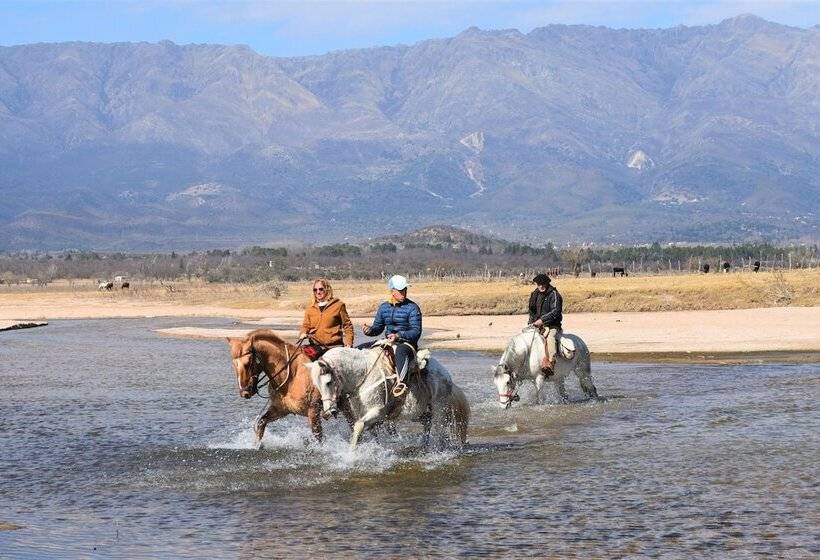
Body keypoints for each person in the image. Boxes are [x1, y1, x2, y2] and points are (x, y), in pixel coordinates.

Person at [360, 274, 422, 383]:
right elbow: (377, 328)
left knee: (400, 351)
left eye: (405, 289)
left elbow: (416, 331)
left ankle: (402, 384)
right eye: (400, 290)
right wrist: (369, 330)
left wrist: (398, 336)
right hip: (388, 341)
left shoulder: (412, 308)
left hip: (407, 343)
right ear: (392, 291)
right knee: (359, 349)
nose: (404, 292)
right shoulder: (384, 307)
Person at [299, 278, 354, 354]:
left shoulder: (338, 305)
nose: (318, 292)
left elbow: (347, 326)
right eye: (315, 290)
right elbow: (305, 325)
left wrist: (349, 344)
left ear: (327, 289)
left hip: (334, 346)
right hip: (315, 346)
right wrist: (303, 333)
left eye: (321, 289)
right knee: (300, 357)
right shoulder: (310, 308)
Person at [528, 273, 563, 376]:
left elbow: (556, 311)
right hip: (537, 325)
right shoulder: (534, 294)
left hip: (553, 325)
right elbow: (531, 311)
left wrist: (542, 320)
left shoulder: (554, 294)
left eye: (543, 284)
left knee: (550, 338)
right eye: (539, 284)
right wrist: (532, 322)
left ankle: (551, 363)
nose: (541, 286)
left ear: (547, 284)